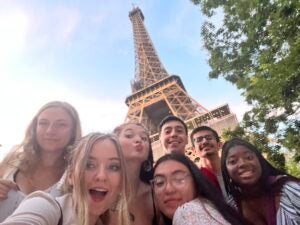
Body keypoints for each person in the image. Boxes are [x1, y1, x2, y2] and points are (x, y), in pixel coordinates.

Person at [0, 132, 131, 225]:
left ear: (121, 182)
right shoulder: (44, 205)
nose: (101, 176)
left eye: (113, 167)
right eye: (89, 165)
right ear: (70, 176)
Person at [0, 101, 82, 221]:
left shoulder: (77, 175)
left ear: (73, 131)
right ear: (35, 127)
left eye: (61, 124)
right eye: (43, 123)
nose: (50, 131)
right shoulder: (12, 161)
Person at [152, 153, 249, 225]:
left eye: (179, 179)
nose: (169, 189)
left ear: (196, 183)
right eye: (159, 182)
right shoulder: (210, 207)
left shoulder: (187, 212)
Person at [221, 137, 300, 225]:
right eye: (233, 161)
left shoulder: (290, 189)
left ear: (260, 161)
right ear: (226, 171)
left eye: (249, 157)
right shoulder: (232, 207)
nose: (243, 163)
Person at [109, 123, 157, 225]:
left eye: (144, 138)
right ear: (114, 143)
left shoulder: (155, 194)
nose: (139, 140)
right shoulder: (102, 192)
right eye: (129, 135)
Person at [190, 126, 227, 198]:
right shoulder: (195, 180)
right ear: (194, 151)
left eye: (209, 138)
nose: (204, 141)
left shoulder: (233, 170)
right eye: (199, 140)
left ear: (219, 144)